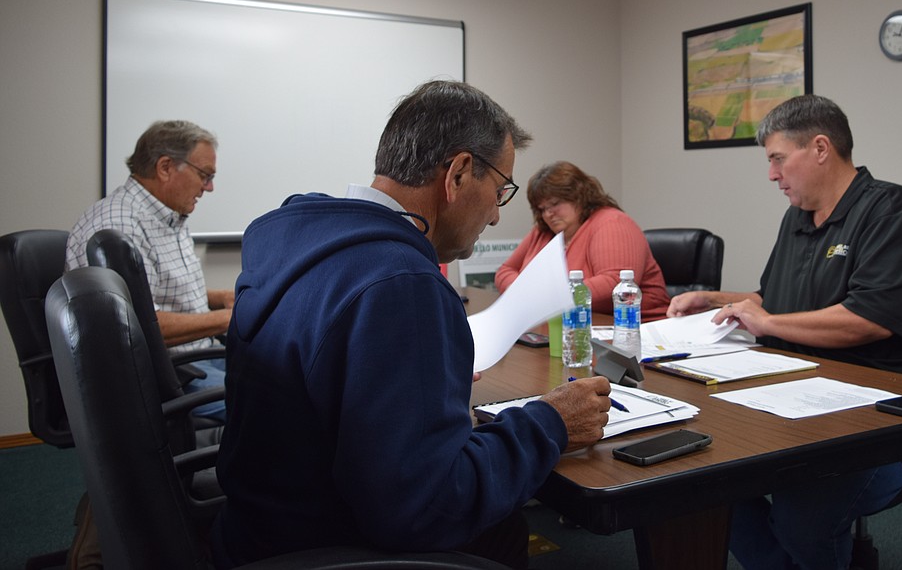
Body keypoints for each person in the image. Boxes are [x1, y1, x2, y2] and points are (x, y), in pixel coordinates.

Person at [211, 81, 612, 569]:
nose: (492, 215)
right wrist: (550, 422)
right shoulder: (401, 281)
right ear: (459, 173)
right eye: (500, 190)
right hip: (322, 544)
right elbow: (428, 508)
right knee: (504, 533)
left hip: (255, 527)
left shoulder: (294, 238)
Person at [667, 94, 902, 570]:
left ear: (820, 148)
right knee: (702, 478)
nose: (771, 175)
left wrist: (766, 322)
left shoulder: (892, 211)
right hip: (808, 398)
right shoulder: (798, 219)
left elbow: (868, 318)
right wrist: (718, 300)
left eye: (778, 159)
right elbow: (777, 301)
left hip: (897, 415)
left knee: (804, 512)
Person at [65, 119, 233, 420]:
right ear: (166, 167)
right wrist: (227, 319)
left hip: (196, 357)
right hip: (171, 374)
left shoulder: (165, 214)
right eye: (204, 175)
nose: (209, 187)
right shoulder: (119, 226)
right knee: (281, 402)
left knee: (292, 379)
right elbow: (139, 326)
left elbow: (155, 293)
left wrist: (220, 298)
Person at [494, 160, 670, 320]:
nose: (548, 214)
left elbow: (614, 282)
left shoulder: (611, 222)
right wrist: (527, 295)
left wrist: (546, 297)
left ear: (579, 196)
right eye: (542, 208)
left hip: (632, 329)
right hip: (564, 326)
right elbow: (505, 271)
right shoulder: (543, 232)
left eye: (555, 204)